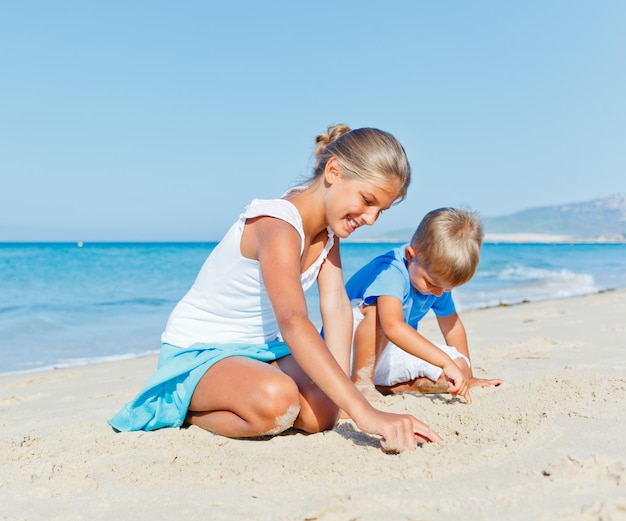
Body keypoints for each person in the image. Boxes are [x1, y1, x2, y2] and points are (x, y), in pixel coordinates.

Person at [109, 124, 441, 453]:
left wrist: (347, 399)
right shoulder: (279, 225)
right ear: (334, 171)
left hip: (261, 350)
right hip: (200, 351)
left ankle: (253, 393)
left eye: (379, 211)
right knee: (277, 401)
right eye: (367, 200)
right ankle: (188, 410)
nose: (370, 218)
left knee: (323, 413)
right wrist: (365, 413)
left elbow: (337, 307)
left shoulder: (328, 235)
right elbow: (293, 320)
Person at [346, 207, 502, 405]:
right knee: (378, 310)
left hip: (390, 354)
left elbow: (451, 327)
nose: (438, 293)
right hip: (348, 350)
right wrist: (444, 361)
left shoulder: (436, 282)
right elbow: (392, 327)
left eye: (445, 288)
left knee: (458, 371)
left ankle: (393, 387)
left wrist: (468, 378)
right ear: (411, 256)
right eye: (432, 283)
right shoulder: (390, 271)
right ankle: (362, 385)